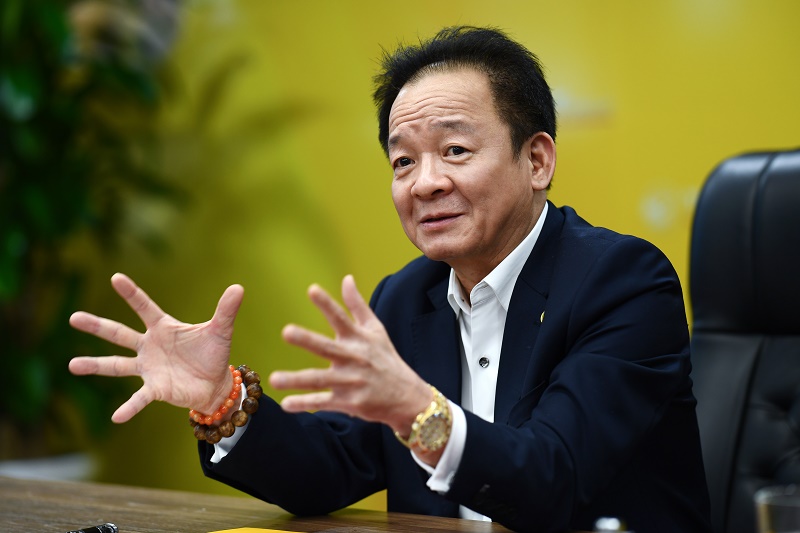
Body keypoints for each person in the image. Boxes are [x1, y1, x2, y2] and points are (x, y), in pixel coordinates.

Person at [69, 26, 712, 533]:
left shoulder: (623, 282)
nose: (424, 183)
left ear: (537, 159)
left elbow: (553, 480)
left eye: (455, 150)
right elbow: (330, 469)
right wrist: (222, 400)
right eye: (403, 161)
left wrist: (417, 410)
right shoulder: (408, 297)